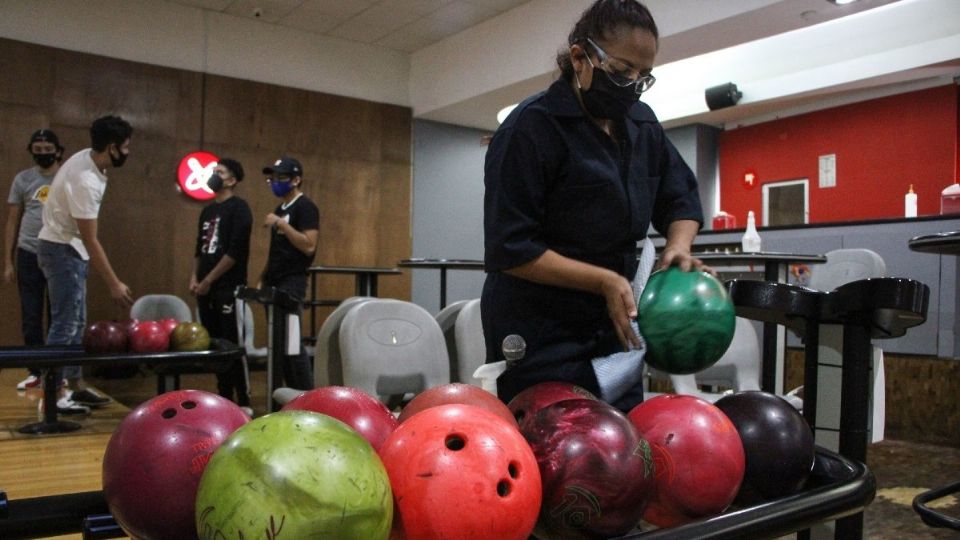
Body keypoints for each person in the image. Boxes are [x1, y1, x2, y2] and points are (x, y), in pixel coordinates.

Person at [481, 0, 707, 413]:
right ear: (580, 58)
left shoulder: (642, 123)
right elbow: (510, 248)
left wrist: (679, 245)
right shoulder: (528, 130)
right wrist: (603, 280)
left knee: (620, 448)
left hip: (616, 328)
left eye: (644, 77)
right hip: (541, 328)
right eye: (622, 72)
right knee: (554, 449)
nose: (632, 85)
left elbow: (681, 200)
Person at [37, 115, 135, 414]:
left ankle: (75, 386)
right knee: (65, 324)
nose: (128, 153)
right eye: (126, 147)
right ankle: (53, 395)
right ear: (112, 147)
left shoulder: (87, 159)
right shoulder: (86, 181)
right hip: (60, 250)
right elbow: (91, 239)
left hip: (68, 249)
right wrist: (114, 283)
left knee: (76, 323)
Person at [190, 158, 253, 414]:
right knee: (214, 343)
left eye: (220, 172)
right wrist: (194, 279)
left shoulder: (240, 209)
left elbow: (234, 252)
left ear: (232, 180)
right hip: (205, 289)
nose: (214, 175)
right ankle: (224, 395)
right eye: (213, 171)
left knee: (232, 343)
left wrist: (208, 280)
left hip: (229, 287)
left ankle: (244, 398)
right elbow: (199, 249)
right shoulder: (207, 211)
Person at [5, 129, 65, 390]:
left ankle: (57, 372)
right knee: (31, 316)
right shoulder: (23, 179)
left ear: (57, 150)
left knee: (57, 315)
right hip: (28, 252)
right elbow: (11, 220)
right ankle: (35, 371)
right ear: (31, 151)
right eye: (37, 151)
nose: (43, 154)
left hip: (58, 251)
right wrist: (7, 261)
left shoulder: (65, 178)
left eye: (47, 150)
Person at [257, 157, 319, 390]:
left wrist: (281, 225)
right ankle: (282, 395)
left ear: (296, 180)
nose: (275, 182)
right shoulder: (279, 209)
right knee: (278, 344)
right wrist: (263, 276)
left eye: (281, 178)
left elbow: (309, 245)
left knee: (292, 344)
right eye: (272, 178)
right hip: (273, 284)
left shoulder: (305, 207)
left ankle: (305, 395)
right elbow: (277, 252)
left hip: (292, 286)